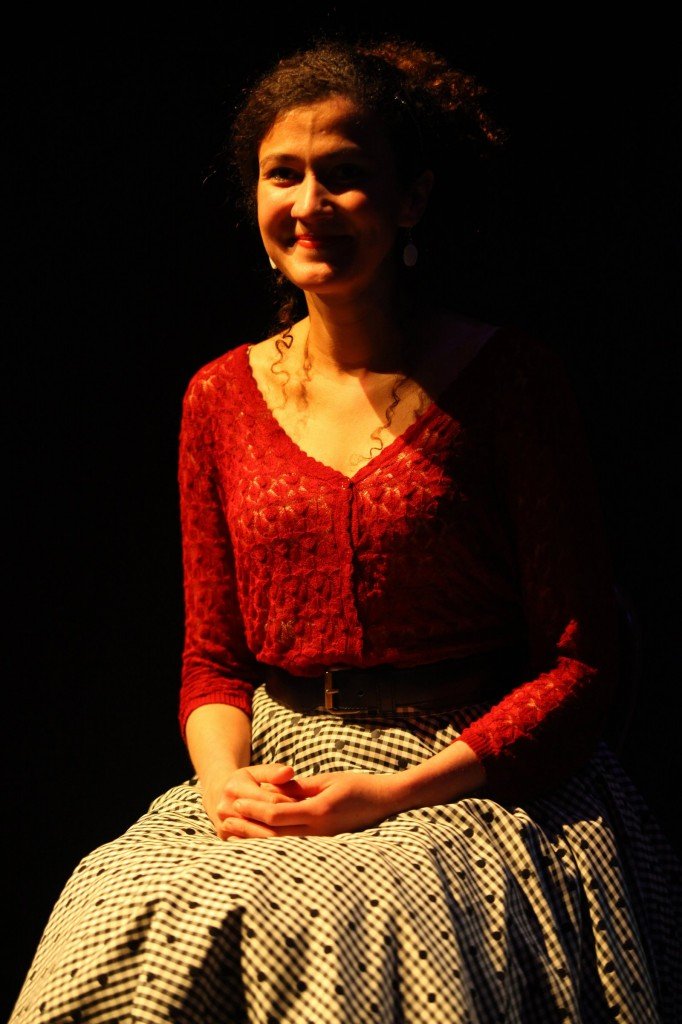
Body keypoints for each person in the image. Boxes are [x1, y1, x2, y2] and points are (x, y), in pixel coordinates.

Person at [9, 36, 681, 1024]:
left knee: (353, 920)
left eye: (345, 174)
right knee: (112, 902)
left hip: (462, 766)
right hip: (280, 758)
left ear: (411, 200)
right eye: (283, 174)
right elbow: (213, 658)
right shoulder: (219, 397)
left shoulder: (507, 383)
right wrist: (228, 790)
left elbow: (578, 665)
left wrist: (393, 795)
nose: (309, 203)